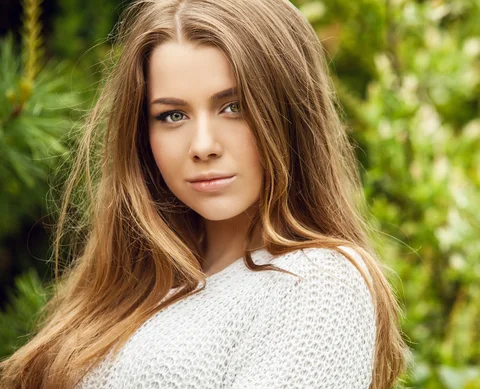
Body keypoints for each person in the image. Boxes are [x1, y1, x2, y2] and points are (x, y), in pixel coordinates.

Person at [0, 0, 410, 388]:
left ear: (290, 113)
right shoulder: (133, 287)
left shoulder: (319, 282)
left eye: (233, 107)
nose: (203, 145)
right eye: (172, 115)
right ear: (144, 135)